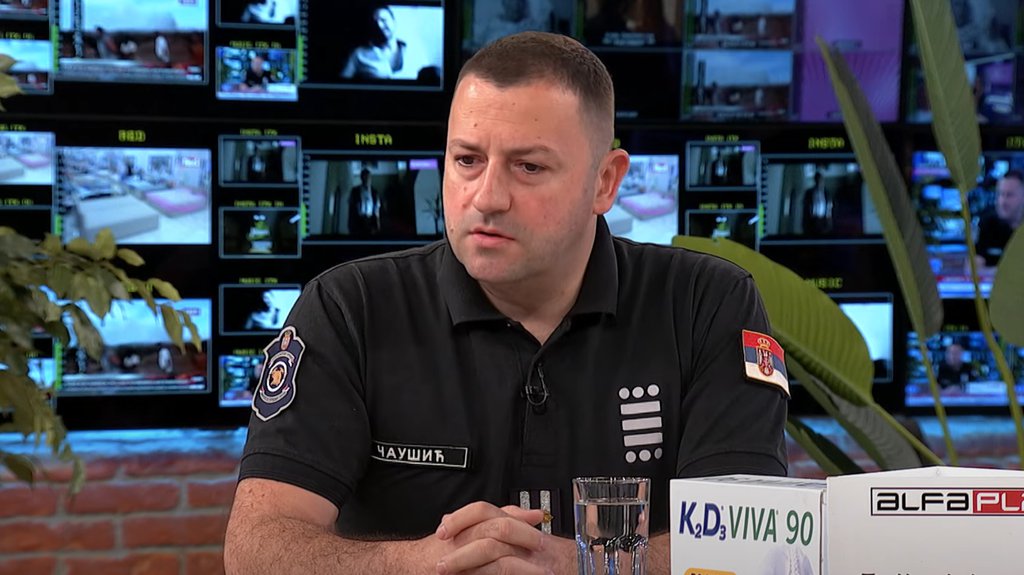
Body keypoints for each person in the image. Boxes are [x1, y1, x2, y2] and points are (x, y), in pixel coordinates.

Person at [224, 31, 787, 575]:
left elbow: (751, 546)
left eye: (529, 167)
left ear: (605, 182)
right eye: (467, 160)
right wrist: (425, 566)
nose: (487, 197)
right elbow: (256, 549)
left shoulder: (706, 304)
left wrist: (574, 567)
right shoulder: (350, 308)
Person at [975, 170, 1024, 275]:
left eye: (1009, 195)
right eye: (1000, 194)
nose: (1003, 201)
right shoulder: (987, 224)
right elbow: (972, 271)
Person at [340, 5, 407, 80]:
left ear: (394, 21)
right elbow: (342, 83)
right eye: (375, 23)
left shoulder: (412, 50)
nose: (380, 26)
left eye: (383, 20)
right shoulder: (358, 54)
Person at [347, 167, 381, 235]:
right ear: (361, 178)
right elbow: (351, 208)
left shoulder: (374, 192)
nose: (366, 179)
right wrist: (350, 224)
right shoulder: (355, 191)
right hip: (358, 221)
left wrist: (377, 224)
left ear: (370, 178)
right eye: (364, 177)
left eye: (368, 177)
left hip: (370, 221)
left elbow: (377, 209)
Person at [801, 171, 833, 236]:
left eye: (820, 180)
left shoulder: (827, 193)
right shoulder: (809, 192)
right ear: (815, 180)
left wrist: (829, 221)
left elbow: (829, 207)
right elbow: (805, 208)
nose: (819, 182)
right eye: (817, 180)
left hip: (823, 220)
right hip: (812, 221)